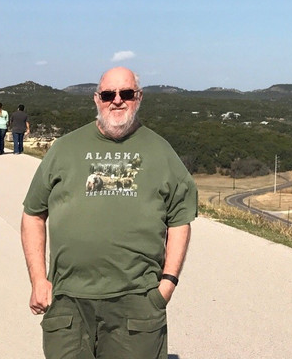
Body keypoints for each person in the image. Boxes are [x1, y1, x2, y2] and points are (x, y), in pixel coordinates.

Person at [21, 67, 197, 359]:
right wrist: (39, 281)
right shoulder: (65, 148)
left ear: (138, 98)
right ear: (96, 99)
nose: (117, 100)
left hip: (136, 303)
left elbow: (180, 219)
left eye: (126, 93)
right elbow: (33, 214)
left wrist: (167, 285)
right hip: (69, 301)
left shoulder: (161, 152)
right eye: (108, 94)